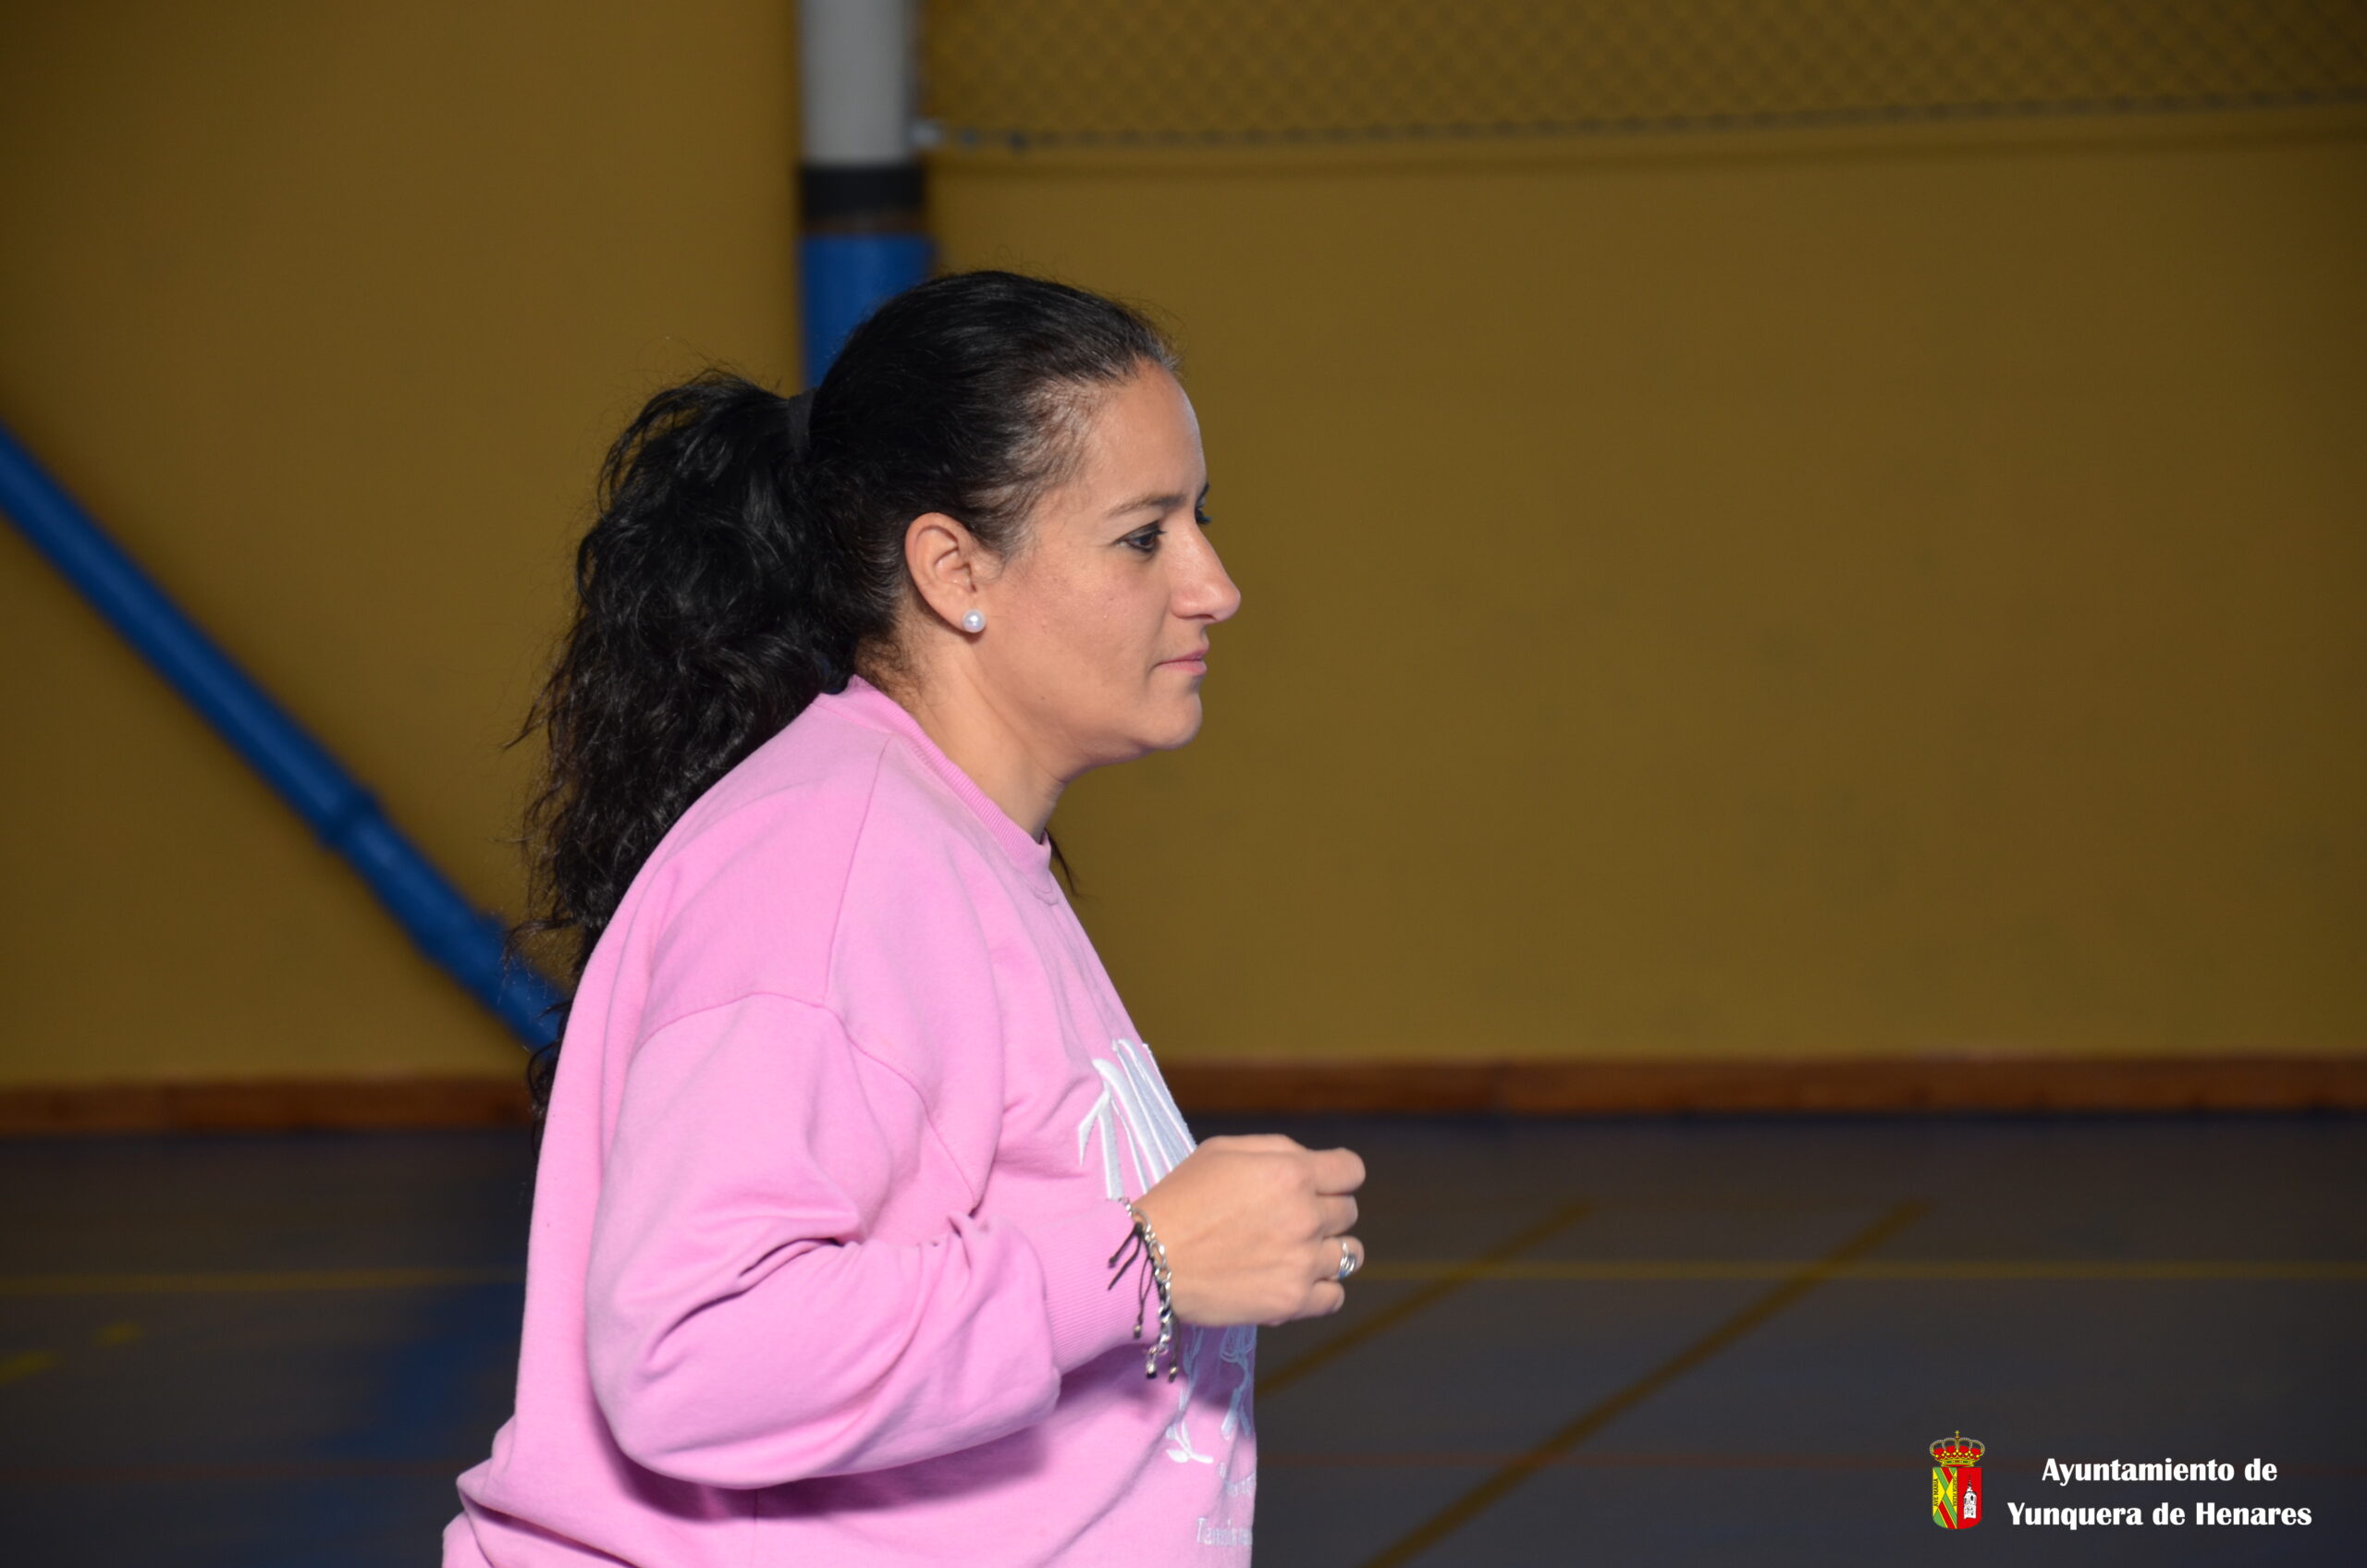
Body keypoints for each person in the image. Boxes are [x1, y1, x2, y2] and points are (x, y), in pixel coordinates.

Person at [445, 271, 1367, 1566]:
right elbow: (694, 1350)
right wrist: (1144, 1259)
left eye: (1198, 519)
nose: (1214, 585)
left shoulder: (948, 845)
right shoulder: (828, 866)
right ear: (954, 569)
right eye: (1142, 536)